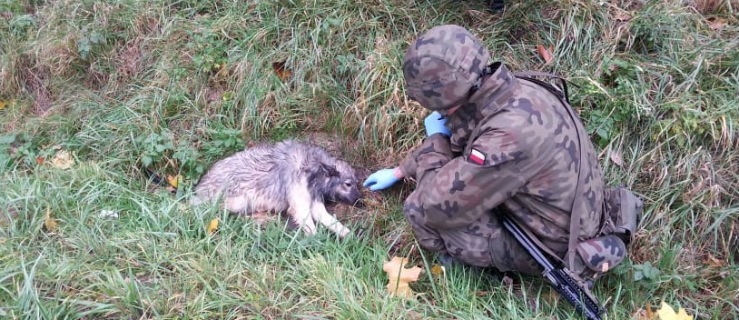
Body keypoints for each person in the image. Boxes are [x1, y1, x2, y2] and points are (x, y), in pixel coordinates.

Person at [363, 24, 640, 283]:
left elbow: (435, 208)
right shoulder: (515, 88)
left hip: (554, 245)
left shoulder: (506, 137)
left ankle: (459, 264)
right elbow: (463, 135)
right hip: (576, 214)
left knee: (417, 210)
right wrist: (401, 170)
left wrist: (435, 139)